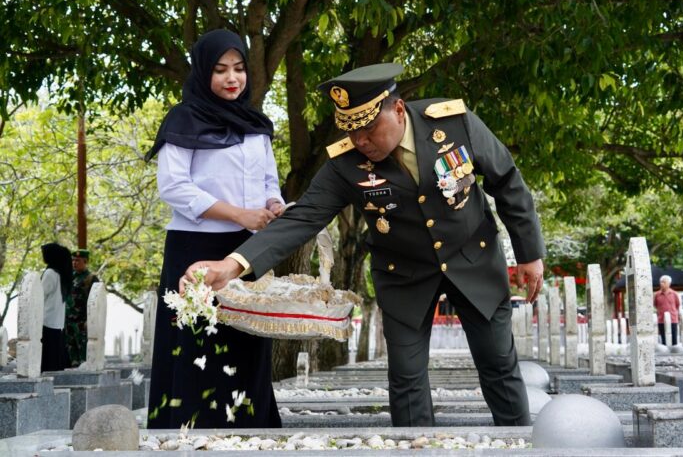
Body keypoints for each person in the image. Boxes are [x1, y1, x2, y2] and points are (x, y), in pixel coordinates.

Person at [183, 63, 546, 427]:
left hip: (473, 258)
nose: (361, 141)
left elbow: (507, 181)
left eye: (369, 128)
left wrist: (529, 254)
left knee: (498, 362)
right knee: (405, 377)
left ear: (399, 109)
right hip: (404, 274)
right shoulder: (346, 162)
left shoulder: (454, 123)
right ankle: (418, 451)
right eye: (351, 130)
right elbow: (303, 217)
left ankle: (522, 445)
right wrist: (230, 265)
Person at [144, 29, 284, 429]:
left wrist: (273, 203)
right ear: (203, 72)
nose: (231, 78)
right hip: (194, 248)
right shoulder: (183, 119)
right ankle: (190, 435)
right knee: (196, 344)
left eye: (239, 69)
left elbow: (268, 182)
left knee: (248, 340)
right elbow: (173, 187)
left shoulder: (257, 124)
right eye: (220, 70)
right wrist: (239, 214)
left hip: (247, 251)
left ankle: (250, 431)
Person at [64, 248, 100, 367]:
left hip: (82, 322)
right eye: (73, 260)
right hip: (68, 321)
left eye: (78, 260)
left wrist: (89, 320)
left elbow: (95, 302)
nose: (74, 263)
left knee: (83, 350)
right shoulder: (69, 277)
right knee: (70, 349)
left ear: (85, 261)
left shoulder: (91, 279)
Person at [40, 243, 72, 372]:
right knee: (55, 360)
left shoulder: (50, 273)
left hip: (46, 320)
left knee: (46, 361)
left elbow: (40, 295)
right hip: (58, 322)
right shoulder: (61, 274)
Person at [654, 274, 680, 346]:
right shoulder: (657, 294)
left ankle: (674, 353)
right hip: (661, 319)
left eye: (664, 282)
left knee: (674, 338)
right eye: (661, 282)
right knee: (663, 338)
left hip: (673, 319)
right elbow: (655, 305)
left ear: (669, 283)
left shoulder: (674, 294)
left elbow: (677, 305)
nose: (662, 284)